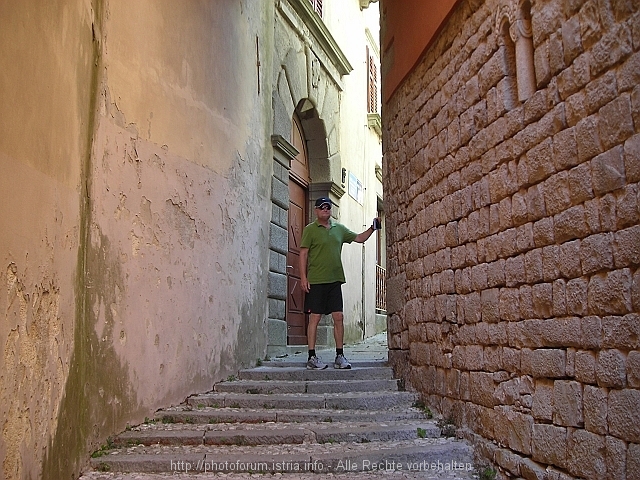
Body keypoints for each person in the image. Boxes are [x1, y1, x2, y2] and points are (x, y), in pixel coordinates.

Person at [299, 197, 381, 370]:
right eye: (322, 207)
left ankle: (340, 355)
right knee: (315, 317)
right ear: (316, 210)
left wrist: (373, 228)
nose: (325, 210)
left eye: (328, 207)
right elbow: (303, 254)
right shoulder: (310, 230)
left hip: (335, 279)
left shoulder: (339, 229)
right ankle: (312, 357)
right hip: (316, 280)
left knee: (339, 317)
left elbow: (359, 238)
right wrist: (303, 278)